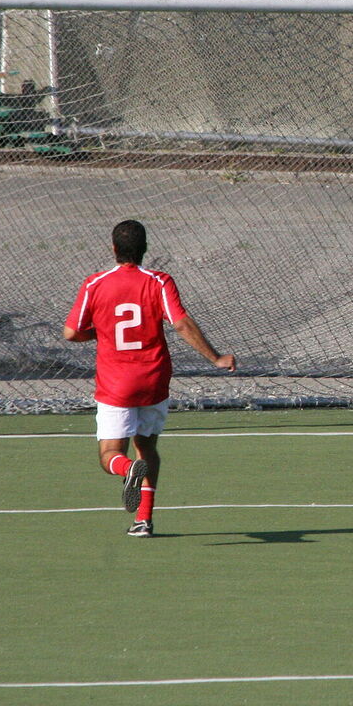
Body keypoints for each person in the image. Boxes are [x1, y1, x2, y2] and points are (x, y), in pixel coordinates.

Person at [62, 220, 235, 537]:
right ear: (145, 249)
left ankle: (127, 469)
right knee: (147, 447)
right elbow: (181, 324)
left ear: (113, 248)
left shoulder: (95, 284)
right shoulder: (159, 281)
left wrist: (101, 333)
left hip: (116, 385)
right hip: (153, 380)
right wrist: (216, 358)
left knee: (109, 454)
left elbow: (71, 332)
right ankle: (143, 519)